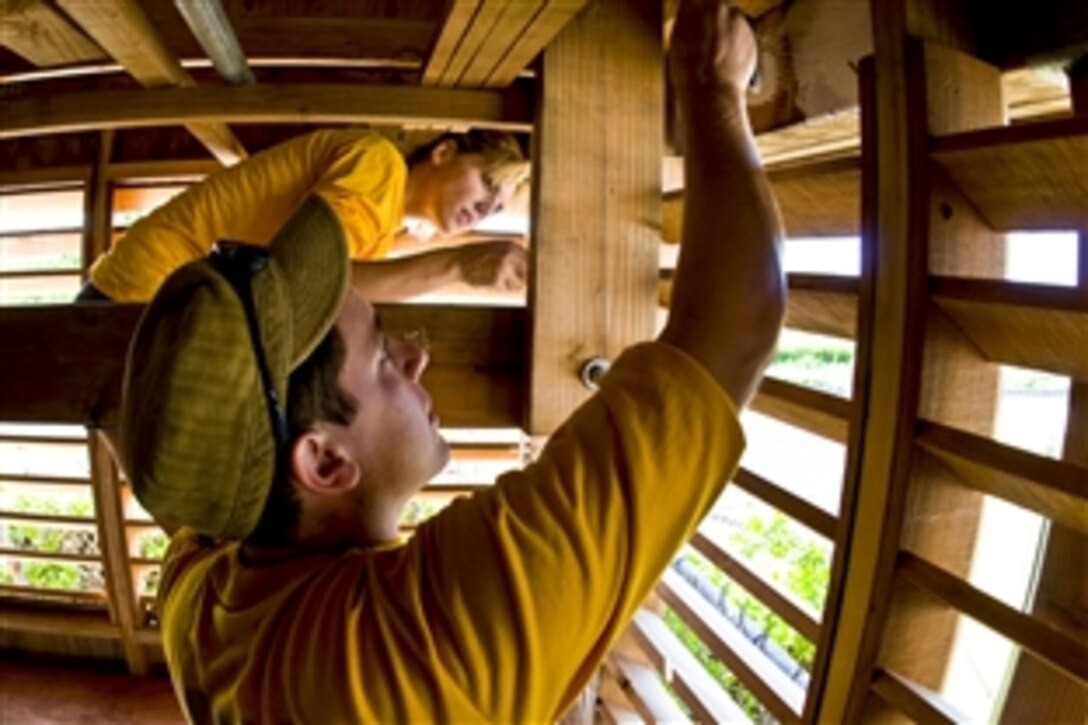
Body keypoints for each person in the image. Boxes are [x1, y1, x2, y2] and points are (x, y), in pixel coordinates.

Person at [119, 0, 785, 720]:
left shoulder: (199, 590)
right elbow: (732, 329)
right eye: (383, 358)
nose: (419, 354)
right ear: (324, 463)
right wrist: (712, 83)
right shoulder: (414, 645)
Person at [79, 128, 529, 303]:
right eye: (489, 183)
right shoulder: (378, 165)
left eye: (500, 205)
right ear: (443, 152)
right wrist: (460, 266)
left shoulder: (383, 222)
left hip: (163, 298)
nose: (489, 208)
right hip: (142, 290)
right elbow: (308, 274)